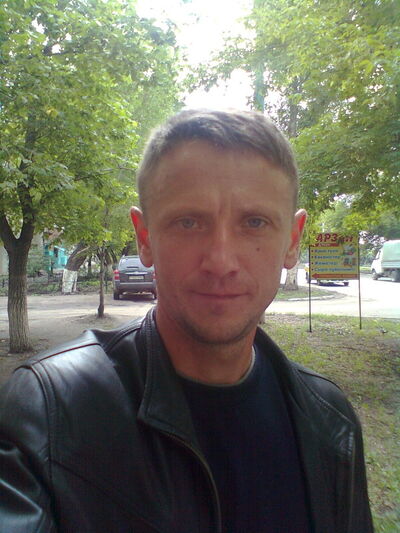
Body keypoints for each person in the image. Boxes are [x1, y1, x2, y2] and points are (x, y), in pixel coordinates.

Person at [0, 109, 373, 532]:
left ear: (291, 240)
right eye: (189, 222)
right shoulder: (48, 413)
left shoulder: (330, 421)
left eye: (254, 222)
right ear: (145, 238)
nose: (221, 261)